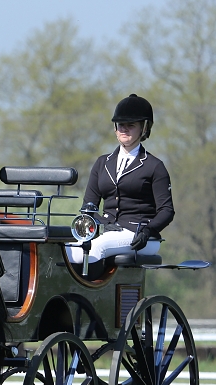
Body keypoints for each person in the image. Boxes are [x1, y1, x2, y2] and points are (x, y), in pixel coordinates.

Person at [66, 93, 174, 280]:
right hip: (108, 232)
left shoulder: (154, 166)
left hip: (141, 236)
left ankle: (88, 292)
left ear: (144, 128)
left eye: (130, 125)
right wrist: (101, 224)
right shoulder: (102, 163)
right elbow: (88, 207)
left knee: (98, 247)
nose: (124, 129)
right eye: (120, 125)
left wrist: (147, 231)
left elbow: (167, 211)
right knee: (67, 249)